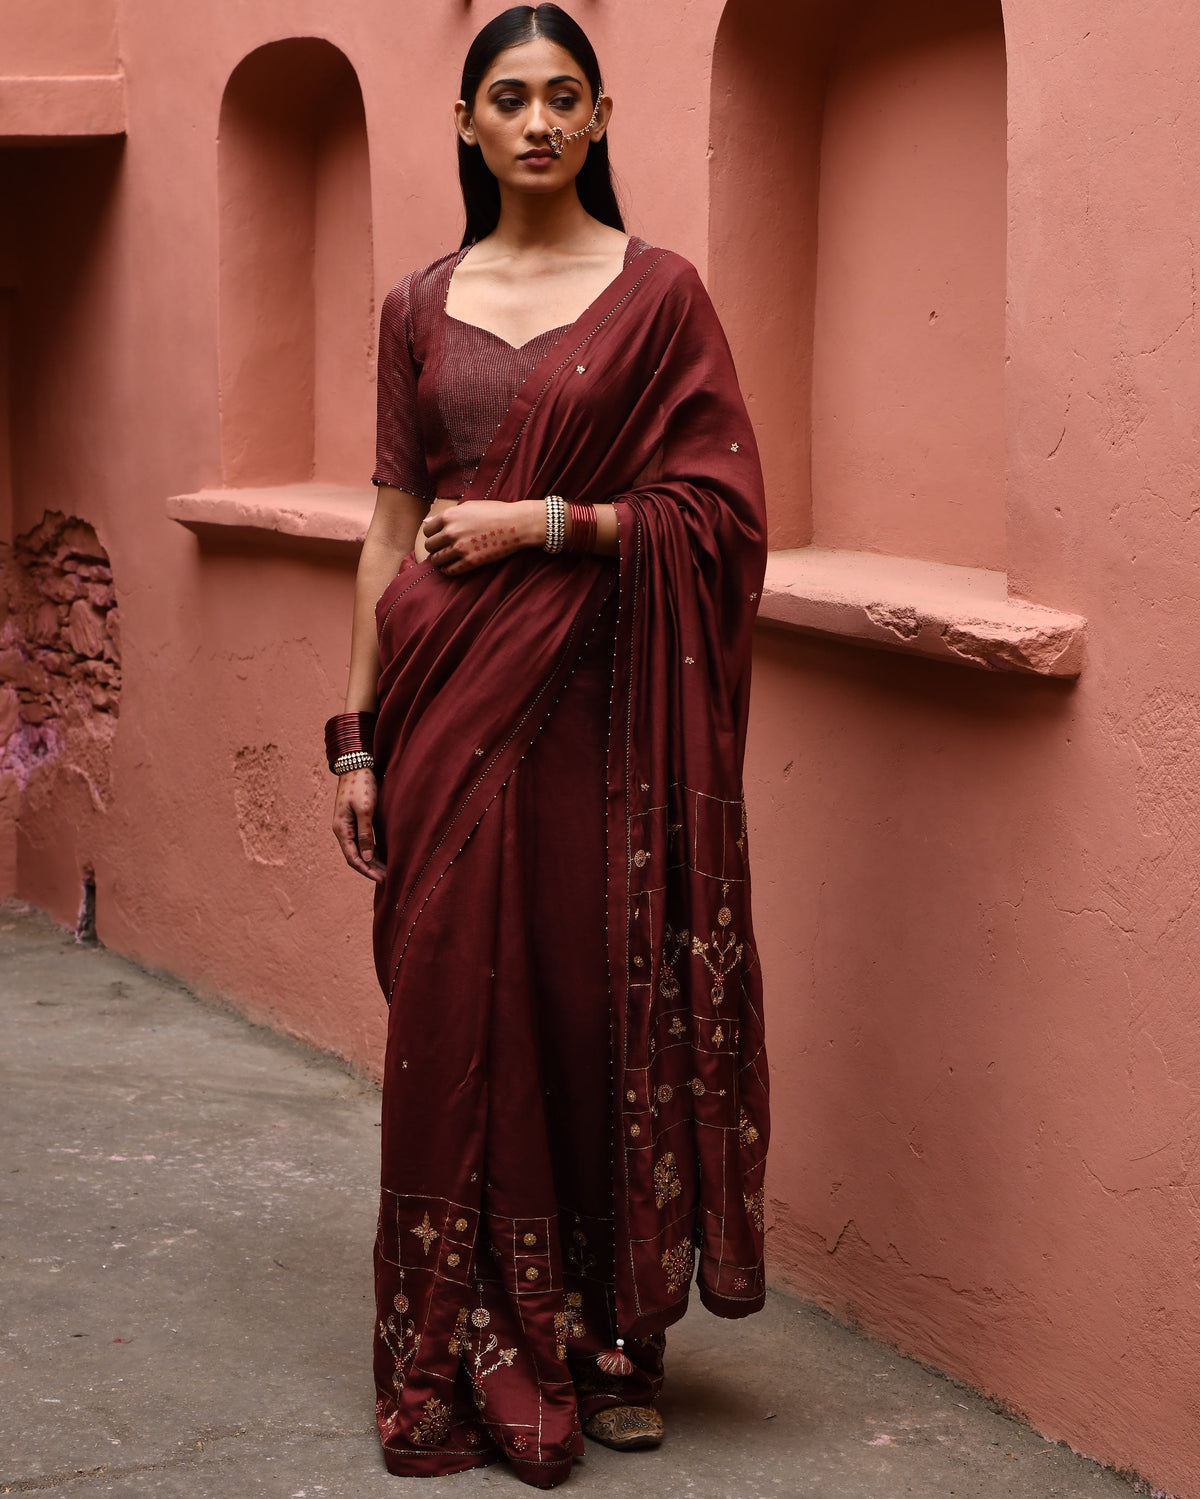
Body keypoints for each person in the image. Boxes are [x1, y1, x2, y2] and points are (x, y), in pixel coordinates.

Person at [325, 5, 769, 1487]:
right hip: (443, 710)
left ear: (597, 118)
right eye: (505, 97)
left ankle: (611, 1341)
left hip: (601, 722)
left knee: (593, 1006)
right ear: (465, 125)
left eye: (560, 97)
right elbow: (386, 531)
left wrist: (550, 524)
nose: (532, 121)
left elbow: (721, 514)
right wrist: (354, 741)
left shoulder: (660, 300)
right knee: (450, 1009)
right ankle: (463, 1336)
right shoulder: (416, 306)